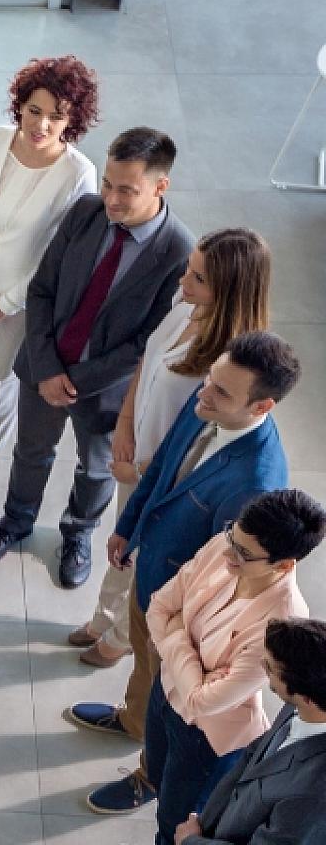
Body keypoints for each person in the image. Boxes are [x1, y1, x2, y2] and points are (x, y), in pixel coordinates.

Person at [69, 330, 297, 816]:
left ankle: (150, 776)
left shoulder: (255, 483)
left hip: (181, 612)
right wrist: (128, 527)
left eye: (221, 391)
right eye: (211, 381)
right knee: (144, 670)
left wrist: (175, 626)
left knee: (165, 692)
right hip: (149, 571)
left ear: (262, 407)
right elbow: (162, 470)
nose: (203, 393)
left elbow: (227, 574)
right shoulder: (209, 406)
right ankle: (131, 720)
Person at [0, 127, 195, 590]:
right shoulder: (85, 213)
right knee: (31, 451)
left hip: (106, 389)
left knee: (95, 470)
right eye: (108, 183)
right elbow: (43, 288)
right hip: (44, 366)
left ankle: (77, 536)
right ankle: (15, 522)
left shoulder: (178, 250)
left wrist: (77, 381)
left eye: (126, 190)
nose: (111, 198)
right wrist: (49, 369)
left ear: (160, 186)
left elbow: (149, 340)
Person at [71, 229, 273, 668]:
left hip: (159, 474)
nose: (183, 282)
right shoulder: (185, 307)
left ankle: (122, 635)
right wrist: (124, 428)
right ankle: (104, 615)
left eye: (197, 278)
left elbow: (198, 445)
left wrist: (141, 469)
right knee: (121, 545)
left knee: (144, 557)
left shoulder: (229, 364)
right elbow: (147, 362)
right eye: (189, 269)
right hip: (135, 455)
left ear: (229, 290)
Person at [110, 490, 320, 843]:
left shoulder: (282, 622)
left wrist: (174, 639)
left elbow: (202, 703)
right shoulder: (225, 548)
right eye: (231, 537)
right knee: (157, 773)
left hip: (207, 736)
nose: (226, 554)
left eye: (243, 553)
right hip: (166, 691)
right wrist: (189, 663)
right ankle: (147, 785)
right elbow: (160, 606)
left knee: (176, 823)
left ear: (284, 565)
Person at [0, 55, 101, 492]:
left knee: (1, 379)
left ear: (73, 119)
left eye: (56, 116)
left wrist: (5, 303)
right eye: (35, 111)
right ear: (20, 106)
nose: (42, 126)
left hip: (22, 298)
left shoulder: (78, 175)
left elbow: (55, 255)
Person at [174, 617, 326, 845]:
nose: (262, 668)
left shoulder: (314, 793)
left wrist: (191, 842)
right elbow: (253, 758)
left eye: (270, 668)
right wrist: (205, 823)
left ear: (307, 698)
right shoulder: (300, 706)